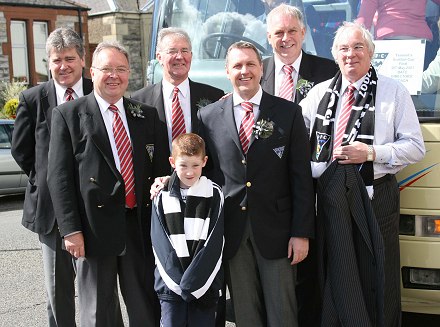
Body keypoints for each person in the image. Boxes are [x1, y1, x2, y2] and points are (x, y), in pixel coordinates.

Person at [300, 22, 425, 326]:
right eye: (344, 49)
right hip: (328, 197)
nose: (351, 55)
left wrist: (370, 153)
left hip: (375, 196)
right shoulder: (318, 95)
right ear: (335, 55)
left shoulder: (393, 91)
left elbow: (415, 147)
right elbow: (292, 133)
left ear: (371, 53)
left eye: (358, 48)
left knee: (377, 274)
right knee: (336, 274)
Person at [46, 41, 170, 327]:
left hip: (140, 228)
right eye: (106, 69)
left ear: (129, 74)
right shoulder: (68, 115)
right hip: (93, 230)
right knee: (98, 312)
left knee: (146, 308)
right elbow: (59, 178)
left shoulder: (146, 114)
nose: (114, 75)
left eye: (121, 69)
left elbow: (161, 169)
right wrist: (71, 230)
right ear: (92, 72)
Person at [197, 41, 315, 327]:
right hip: (232, 232)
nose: (244, 71)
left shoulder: (288, 113)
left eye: (250, 64)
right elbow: (205, 173)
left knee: (282, 313)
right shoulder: (208, 116)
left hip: (278, 230)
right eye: (237, 66)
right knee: (245, 314)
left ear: (262, 68)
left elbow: (301, 177)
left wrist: (301, 233)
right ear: (227, 71)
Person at [11, 27, 94, 327]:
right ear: (48, 62)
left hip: (95, 207)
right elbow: (21, 150)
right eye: (56, 60)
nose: (63, 66)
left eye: (70, 58)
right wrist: (47, 178)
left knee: (98, 289)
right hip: (50, 212)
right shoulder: (33, 99)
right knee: (58, 292)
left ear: (83, 59)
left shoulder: (99, 89)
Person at [151, 133, 224, 327]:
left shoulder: (214, 193)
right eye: (183, 165)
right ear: (172, 162)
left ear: (204, 161)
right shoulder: (161, 195)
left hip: (204, 284)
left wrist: (193, 282)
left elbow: (214, 242)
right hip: (170, 286)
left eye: (195, 165)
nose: (190, 172)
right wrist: (179, 283)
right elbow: (160, 243)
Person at [131, 27, 224, 150]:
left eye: (185, 51)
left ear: (191, 55)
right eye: (172, 51)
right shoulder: (139, 101)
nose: (179, 57)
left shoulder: (215, 97)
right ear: (159, 57)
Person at [260, 3, 338, 104]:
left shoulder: (330, 72)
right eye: (279, 32)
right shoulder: (257, 72)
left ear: (302, 33)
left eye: (292, 31)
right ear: (269, 37)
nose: (286, 38)